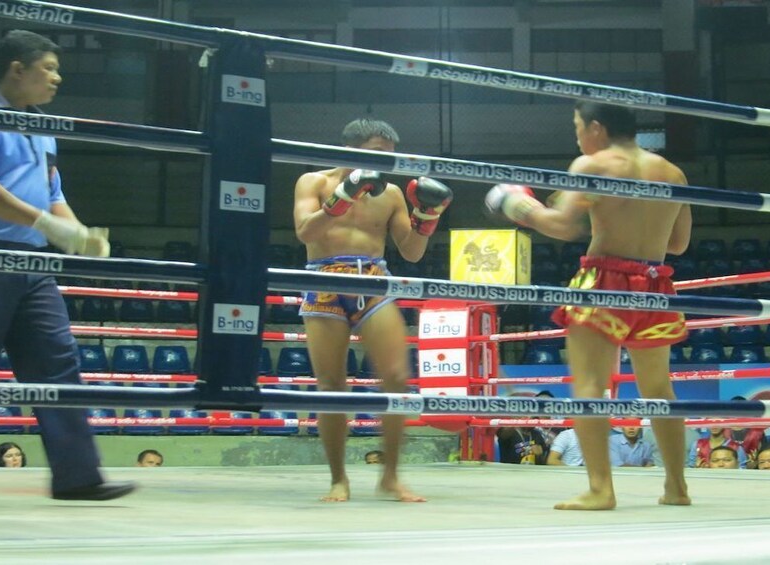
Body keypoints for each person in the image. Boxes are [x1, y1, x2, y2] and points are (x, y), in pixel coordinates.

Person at [487, 101, 692, 510]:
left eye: (577, 126)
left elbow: (563, 226)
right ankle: (676, 488)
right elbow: (677, 244)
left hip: (604, 282)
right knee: (659, 390)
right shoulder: (672, 172)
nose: (577, 136)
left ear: (596, 128)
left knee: (589, 387)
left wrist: (517, 205)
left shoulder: (592, 163)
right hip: (655, 283)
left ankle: (601, 490)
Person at [0, 30, 132, 501]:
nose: (58, 76)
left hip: (33, 266)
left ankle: (78, 476)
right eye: (49, 67)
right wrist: (47, 226)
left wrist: (79, 234)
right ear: (18, 68)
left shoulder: (43, 125)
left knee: (58, 366)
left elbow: (52, 193)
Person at [293, 118, 452, 503]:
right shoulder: (313, 181)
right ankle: (338, 479)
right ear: (352, 147)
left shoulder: (393, 193)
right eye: (379, 153)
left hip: (375, 280)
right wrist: (345, 194)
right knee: (331, 387)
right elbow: (305, 232)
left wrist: (428, 216)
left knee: (397, 378)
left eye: (391, 156)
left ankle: (391, 477)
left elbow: (411, 252)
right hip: (326, 280)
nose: (388, 162)